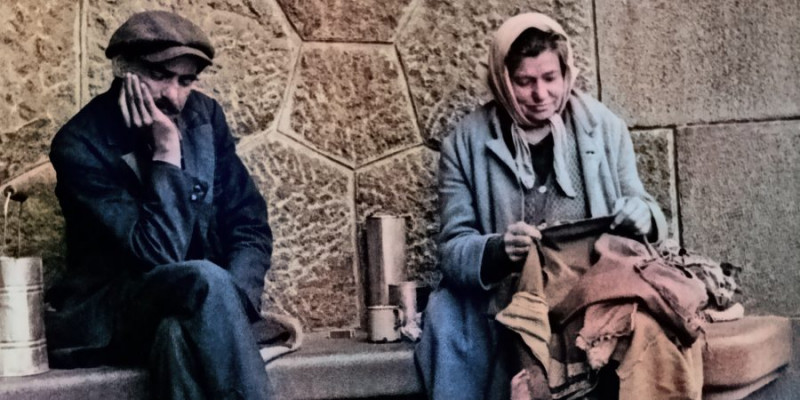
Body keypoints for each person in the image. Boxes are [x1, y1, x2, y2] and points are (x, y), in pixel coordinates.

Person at [415, 12, 703, 400]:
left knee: (646, 333)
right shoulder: (465, 145)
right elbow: (453, 251)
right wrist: (499, 249)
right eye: (525, 82)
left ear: (566, 73)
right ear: (502, 79)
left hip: (586, 290)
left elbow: (646, 208)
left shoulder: (604, 128)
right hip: (506, 299)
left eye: (550, 78)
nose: (541, 94)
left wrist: (642, 215)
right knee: (449, 320)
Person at [45, 11, 278, 399]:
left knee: (176, 335)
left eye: (186, 81)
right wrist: (167, 152)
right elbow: (157, 254)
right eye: (159, 75)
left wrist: (230, 307)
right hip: (118, 310)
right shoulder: (80, 144)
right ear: (123, 69)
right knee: (204, 278)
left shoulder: (205, 117)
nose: (174, 95)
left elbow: (249, 226)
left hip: (193, 306)